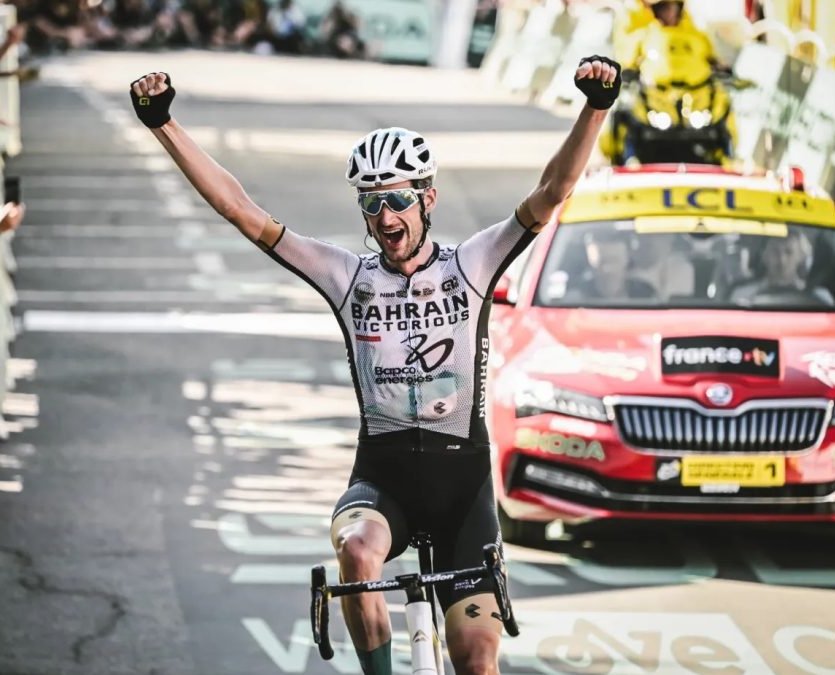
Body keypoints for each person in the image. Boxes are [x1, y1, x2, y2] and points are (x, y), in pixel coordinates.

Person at [128, 55, 622, 675]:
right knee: (358, 552)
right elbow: (242, 211)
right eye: (371, 204)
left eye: (397, 199)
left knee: (476, 661)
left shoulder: (470, 265)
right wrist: (162, 123)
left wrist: (595, 107)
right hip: (383, 478)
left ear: (427, 197)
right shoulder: (348, 277)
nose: (385, 218)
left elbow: (553, 192)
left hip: (461, 486)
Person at [729, 232, 834, 306]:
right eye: (775, 251)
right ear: (764, 256)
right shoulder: (742, 297)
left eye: (789, 252)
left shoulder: (819, 299)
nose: (781, 260)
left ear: (800, 257)